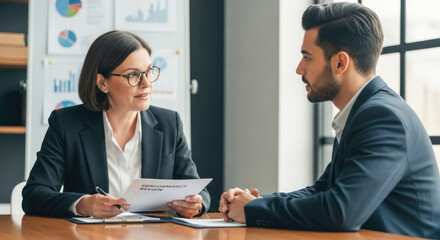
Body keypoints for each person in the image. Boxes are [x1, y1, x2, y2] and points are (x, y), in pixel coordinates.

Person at [219, 2, 440, 239]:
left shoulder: (382, 117)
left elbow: (341, 211)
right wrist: (254, 202)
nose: (299, 69)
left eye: (307, 58)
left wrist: (253, 209)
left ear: (340, 63)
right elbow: (322, 189)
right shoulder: (362, 112)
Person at [22, 30, 210, 219]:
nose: (146, 83)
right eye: (133, 75)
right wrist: (83, 205)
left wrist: (195, 204)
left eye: (149, 71)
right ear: (102, 83)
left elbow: (199, 191)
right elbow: (34, 195)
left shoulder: (169, 123)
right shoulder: (66, 124)